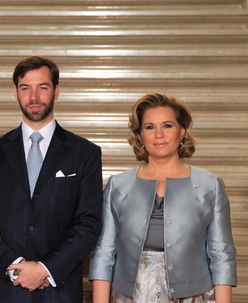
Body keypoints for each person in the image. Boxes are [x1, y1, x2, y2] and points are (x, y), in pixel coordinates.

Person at [0, 56, 103, 302]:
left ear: (56, 91)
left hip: (59, 290)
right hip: (5, 289)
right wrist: (12, 264)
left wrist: (45, 269)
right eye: (26, 88)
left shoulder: (85, 153)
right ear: (15, 92)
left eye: (43, 87)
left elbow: (89, 223)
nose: (34, 96)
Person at [89, 92, 237, 303]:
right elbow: (104, 254)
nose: (159, 134)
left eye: (167, 125)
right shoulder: (118, 186)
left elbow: (221, 254)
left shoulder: (209, 185)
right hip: (128, 297)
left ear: (182, 131)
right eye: (149, 127)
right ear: (140, 135)